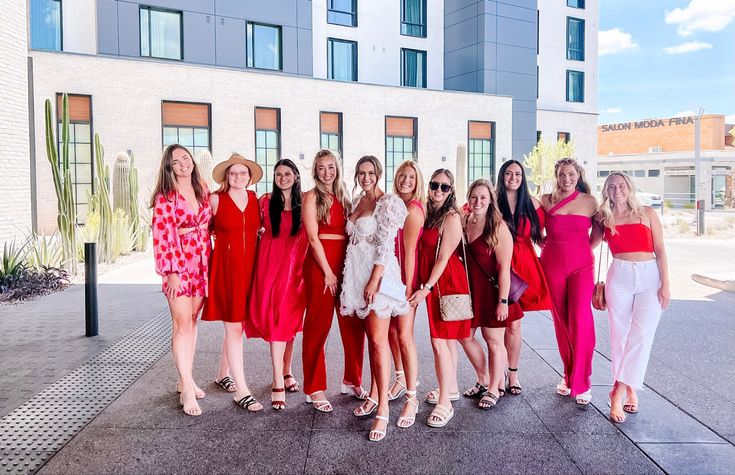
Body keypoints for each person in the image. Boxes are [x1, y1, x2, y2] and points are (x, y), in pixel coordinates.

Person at [341, 156, 408, 441]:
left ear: (379, 174)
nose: (365, 177)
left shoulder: (388, 202)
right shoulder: (357, 202)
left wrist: (373, 280)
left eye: (370, 173)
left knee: (379, 342)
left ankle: (383, 410)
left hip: (376, 276)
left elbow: (385, 246)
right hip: (356, 273)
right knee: (371, 339)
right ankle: (373, 393)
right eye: (361, 173)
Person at [596, 172, 670, 423]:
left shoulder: (647, 213)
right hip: (620, 277)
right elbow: (588, 243)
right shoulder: (604, 217)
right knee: (620, 335)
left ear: (629, 187)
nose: (617, 190)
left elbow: (660, 250)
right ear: (606, 190)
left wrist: (666, 285)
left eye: (621, 185)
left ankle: (618, 389)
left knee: (641, 336)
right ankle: (629, 389)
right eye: (612, 186)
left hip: (650, 277)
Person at [301, 149, 366, 412]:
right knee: (318, 324)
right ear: (315, 171)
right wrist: (327, 271)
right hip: (321, 266)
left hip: (345, 263)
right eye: (321, 168)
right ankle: (314, 388)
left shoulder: (344, 196)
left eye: (330, 167)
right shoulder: (311, 197)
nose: (326, 172)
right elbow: (313, 238)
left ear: (337, 169)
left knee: (353, 323)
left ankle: (352, 379)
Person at [150, 144, 212, 417]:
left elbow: (212, 223)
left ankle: (184, 376)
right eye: (177, 161)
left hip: (202, 263)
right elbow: (162, 235)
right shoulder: (165, 197)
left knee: (193, 321)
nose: (184, 163)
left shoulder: (203, 188)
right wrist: (171, 272)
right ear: (169, 167)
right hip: (179, 265)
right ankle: (187, 389)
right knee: (181, 324)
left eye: (186, 158)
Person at [409, 169, 472, 428]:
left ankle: (445, 402)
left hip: (445, 281)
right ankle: (452, 388)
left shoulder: (451, 218)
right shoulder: (429, 212)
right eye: (435, 185)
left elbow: (444, 258)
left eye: (444, 187)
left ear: (451, 191)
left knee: (439, 341)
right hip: (434, 281)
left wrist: (426, 287)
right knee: (447, 342)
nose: (438, 190)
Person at [201, 153, 263, 412]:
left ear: (249, 177)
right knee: (235, 328)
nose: (239, 177)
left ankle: (222, 374)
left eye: (243, 173)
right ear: (226, 176)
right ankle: (242, 391)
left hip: (251, 270)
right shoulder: (215, 199)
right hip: (226, 272)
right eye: (234, 173)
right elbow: (201, 233)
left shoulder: (254, 200)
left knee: (236, 325)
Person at [245, 159, 308, 410]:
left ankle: (287, 370)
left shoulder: (304, 202)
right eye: (278, 174)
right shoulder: (264, 201)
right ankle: (276, 379)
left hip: (297, 268)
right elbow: (250, 227)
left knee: (291, 321)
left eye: (287, 173)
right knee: (277, 321)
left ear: (295, 176)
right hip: (271, 266)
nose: (283, 177)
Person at [540, 158, 601, 407]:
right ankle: (568, 375)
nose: (566, 179)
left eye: (571, 174)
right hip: (552, 264)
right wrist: (542, 242)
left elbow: (598, 232)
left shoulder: (590, 202)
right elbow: (532, 227)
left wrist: (581, 249)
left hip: (581, 266)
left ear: (579, 175)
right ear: (556, 175)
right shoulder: (545, 200)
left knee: (581, 318)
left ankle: (583, 381)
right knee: (561, 321)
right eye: (562, 174)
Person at [463, 179, 521, 410]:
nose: (478, 202)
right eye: (474, 197)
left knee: (494, 342)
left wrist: (503, 301)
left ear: (490, 200)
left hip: (493, 291)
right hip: (470, 291)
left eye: (483, 198)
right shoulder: (464, 220)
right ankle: (484, 378)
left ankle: (494, 389)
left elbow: (505, 268)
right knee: (465, 335)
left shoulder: (498, 227)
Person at [496, 160, 552, 396]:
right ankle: (496, 375)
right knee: (497, 325)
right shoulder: (492, 199)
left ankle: (513, 373)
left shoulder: (533, 203)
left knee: (514, 324)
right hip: (498, 264)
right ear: (502, 176)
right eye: (508, 173)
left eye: (518, 174)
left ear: (523, 177)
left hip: (524, 265)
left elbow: (544, 237)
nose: (513, 177)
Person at [387, 160, 426, 429]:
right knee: (391, 332)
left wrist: (409, 288)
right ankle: (400, 378)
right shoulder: (394, 204)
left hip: (405, 280)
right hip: (391, 277)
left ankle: (412, 397)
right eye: (402, 176)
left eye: (411, 177)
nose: (406, 180)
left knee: (404, 335)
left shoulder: (413, 210)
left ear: (417, 181)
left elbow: (410, 251)